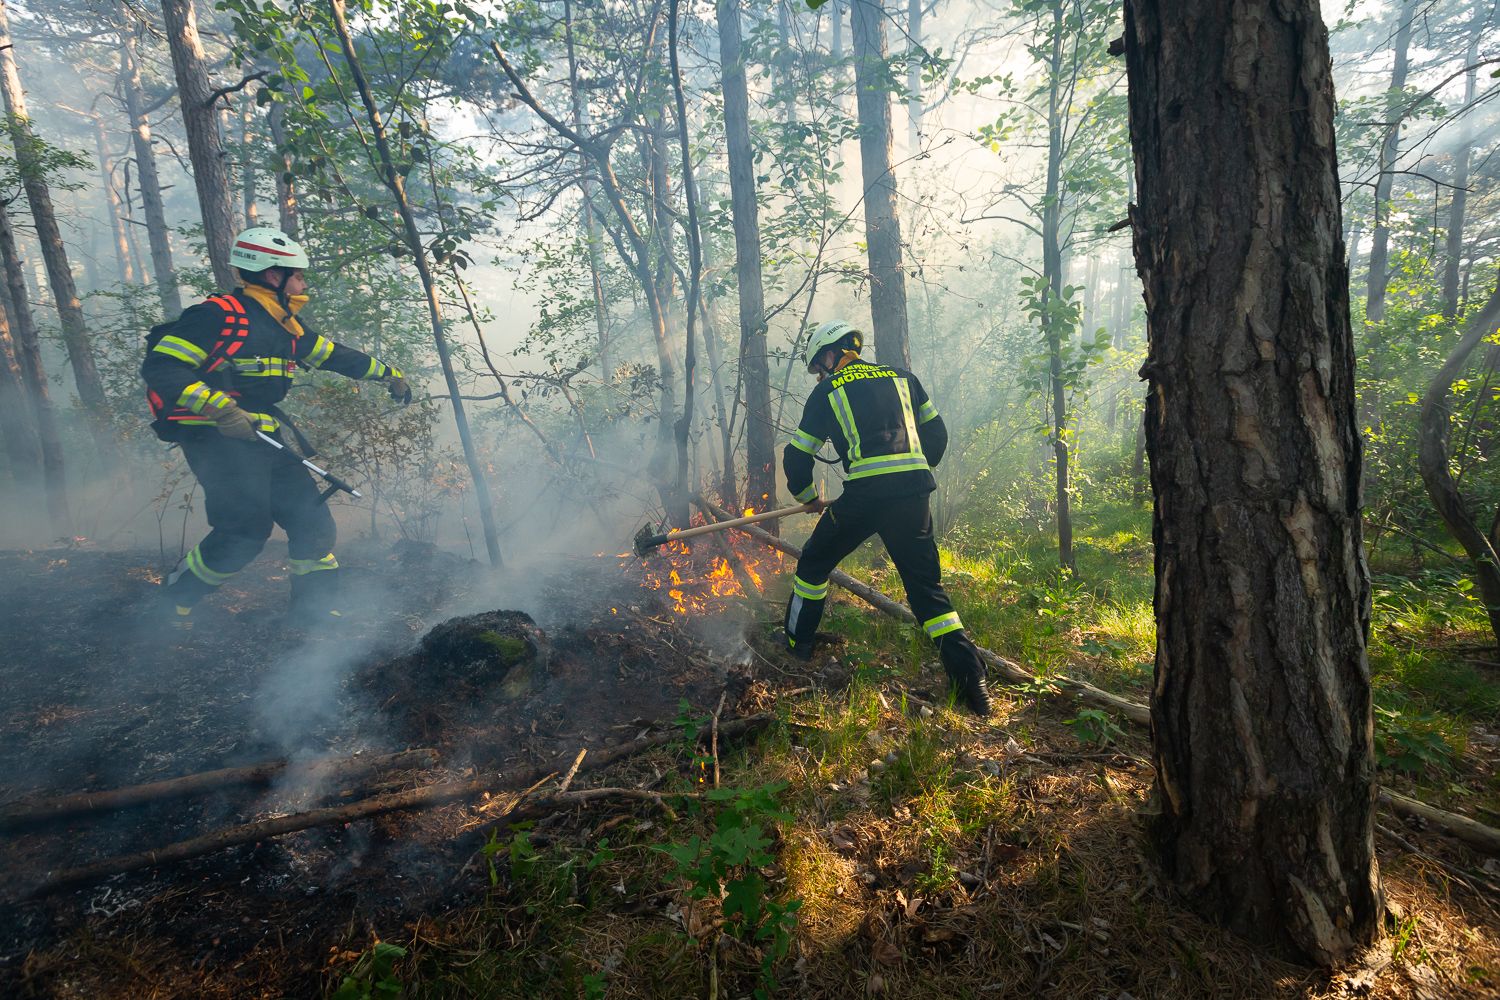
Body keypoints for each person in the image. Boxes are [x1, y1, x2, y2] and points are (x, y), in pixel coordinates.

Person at [141, 226, 412, 628]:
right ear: (273, 275)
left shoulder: (283, 326)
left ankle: (313, 613)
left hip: (264, 436)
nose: (303, 283)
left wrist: (388, 374)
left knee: (312, 522)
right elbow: (162, 366)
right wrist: (219, 408)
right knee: (244, 531)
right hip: (215, 436)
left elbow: (332, 354)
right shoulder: (216, 316)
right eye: (298, 275)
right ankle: (172, 604)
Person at [782, 321, 991, 715]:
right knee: (926, 589)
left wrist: (807, 497)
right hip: (912, 496)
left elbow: (796, 456)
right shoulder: (904, 378)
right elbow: (938, 435)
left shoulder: (828, 390)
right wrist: (909, 473)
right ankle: (971, 682)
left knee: (813, 563)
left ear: (829, 355)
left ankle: (797, 644)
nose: (819, 373)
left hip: (863, 499)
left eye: (817, 365)